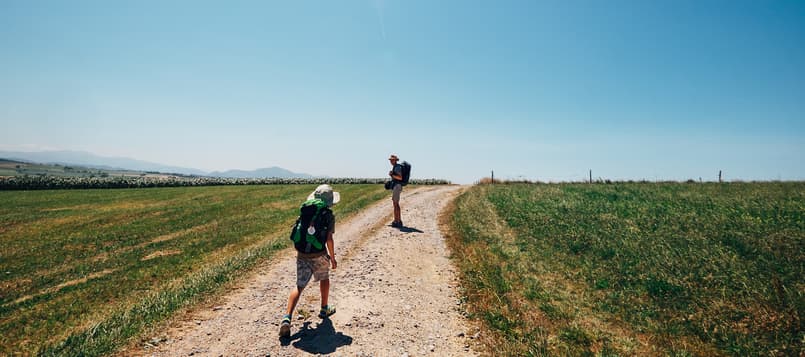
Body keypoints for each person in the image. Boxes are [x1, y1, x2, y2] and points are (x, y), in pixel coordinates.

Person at [279, 184, 339, 338]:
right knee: (324, 278)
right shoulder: (328, 215)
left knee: (299, 286)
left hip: (302, 254)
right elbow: (329, 239)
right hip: (319, 253)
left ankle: (287, 317)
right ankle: (324, 308)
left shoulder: (305, 212)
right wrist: (332, 258)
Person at [388, 154, 403, 228]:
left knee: (395, 203)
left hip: (397, 186)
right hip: (396, 186)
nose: (391, 161)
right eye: (390, 160)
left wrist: (392, 175)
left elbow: (400, 178)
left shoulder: (397, 167)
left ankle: (398, 221)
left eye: (392, 160)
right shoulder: (395, 167)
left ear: (395, 160)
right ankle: (396, 220)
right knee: (395, 203)